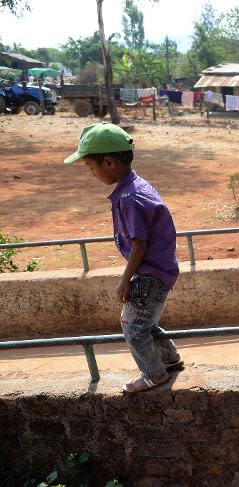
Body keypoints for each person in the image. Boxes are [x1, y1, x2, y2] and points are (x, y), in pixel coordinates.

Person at [64, 122, 182, 392]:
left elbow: (139, 245)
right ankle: (169, 359)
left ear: (108, 162)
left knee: (132, 325)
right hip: (159, 269)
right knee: (145, 321)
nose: (92, 174)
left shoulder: (129, 197)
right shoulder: (136, 185)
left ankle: (154, 374)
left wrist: (125, 279)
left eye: (91, 167)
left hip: (148, 272)